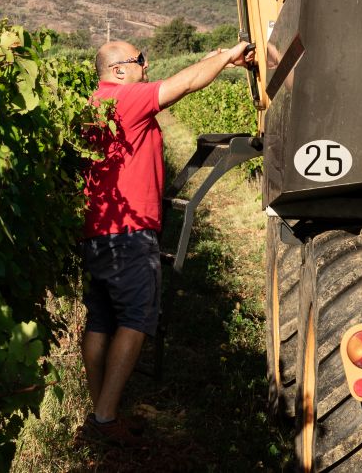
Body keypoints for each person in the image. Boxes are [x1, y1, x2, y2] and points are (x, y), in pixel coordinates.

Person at [78, 37, 254, 445]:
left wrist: (221, 58)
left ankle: (99, 411)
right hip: (131, 230)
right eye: (140, 60)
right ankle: (105, 419)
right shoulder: (129, 99)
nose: (146, 65)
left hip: (97, 231)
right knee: (137, 320)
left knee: (100, 319)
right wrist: (225, 58)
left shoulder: (95, 104)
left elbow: (190, 73)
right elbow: (187, 84)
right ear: (119, 70)